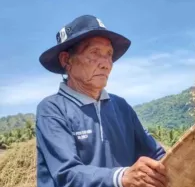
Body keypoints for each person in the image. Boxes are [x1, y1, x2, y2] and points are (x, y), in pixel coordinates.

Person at [36, 15, 169, 187]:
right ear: (66, 60)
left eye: (109, 54)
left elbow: (156, 154)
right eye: (95, 53)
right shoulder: (52, 109)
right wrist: (122, 177)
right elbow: (67, 174)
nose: (106, 64)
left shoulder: (121, 107)